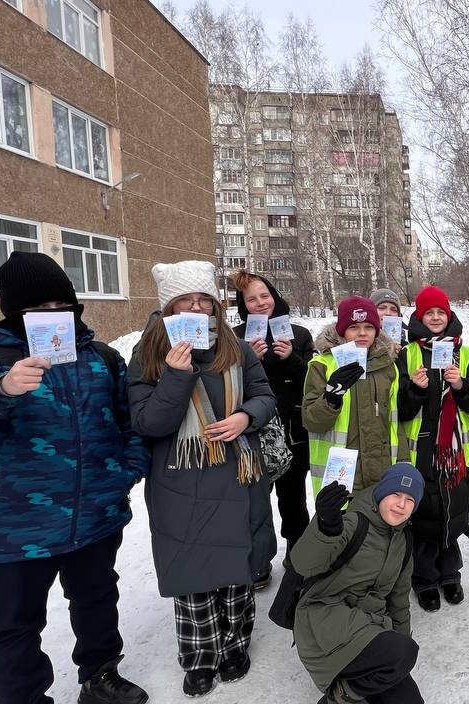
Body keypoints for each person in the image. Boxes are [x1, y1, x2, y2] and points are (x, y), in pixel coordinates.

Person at [0, 252, 149, 704]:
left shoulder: (102, 358)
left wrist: (126, 473)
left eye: (62, 307)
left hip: (96, 512)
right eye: (39, 310)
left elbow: (129, 423)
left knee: (96, 600)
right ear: (15, 315)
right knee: (14, 621)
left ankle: (100, 676)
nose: (54, 318)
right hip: (19, 523)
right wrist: (4, 387)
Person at [126, 260, 277, 698]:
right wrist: (177, 374)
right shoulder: (149, 353)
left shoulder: (233, 345)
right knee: (192, 573)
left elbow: (264, 395)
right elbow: (148, 423)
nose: (197, 308)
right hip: (181, 479)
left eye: (204, 299)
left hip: (237, 470)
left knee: (237, 570)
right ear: (169, 307)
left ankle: (234, 645)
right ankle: (198, 657)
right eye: (186, 300)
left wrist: (245, 417)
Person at [293, 465, 426, 704]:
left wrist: (396, 663)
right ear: (381, 492)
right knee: (404, 653)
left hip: (368, 629)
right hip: (324, 622)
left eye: (410, 499)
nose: (401, 504)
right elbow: (303, 563)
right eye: (395, 494)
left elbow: (398, 601)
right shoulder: (353, 523)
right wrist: (325, 526)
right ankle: (341, 696)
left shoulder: (403, 542)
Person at [397, 286, 469, 612]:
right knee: (423, 515)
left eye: (440, 313)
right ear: (419, 317)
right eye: (429, 313)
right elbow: (401, 409)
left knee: (453, 509)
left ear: (448, 316)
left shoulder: (463, 352)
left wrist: (461, 385)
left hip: (456, 450)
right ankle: (424, 580)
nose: (435, 318)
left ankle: (451, 574)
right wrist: (416, 390)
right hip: (420, 449)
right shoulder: (406, 354)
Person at [231, 270, 315, 589]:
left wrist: (291, 358)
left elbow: (313, 381)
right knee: (255, 502)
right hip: (253, 434)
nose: (260, 303)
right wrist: (246, 360)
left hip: (293, 431)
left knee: (293, 500)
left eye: (264, 295)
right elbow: (225, 386)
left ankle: (299, 551)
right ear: (243, 304)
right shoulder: (235, 337)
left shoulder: (299, 334)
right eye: (251, 298)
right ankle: (259, 559)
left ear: (274, 296)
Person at [302, 296, 407, 493]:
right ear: (342, 331)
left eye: (368, 327)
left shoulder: (388, 366)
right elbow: (311, 421)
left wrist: (403, 463)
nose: (362, 333)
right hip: (341, 473)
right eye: (354, 327)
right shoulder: (322, 365)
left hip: (382, 467)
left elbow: (394, 421)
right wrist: (331, 398)